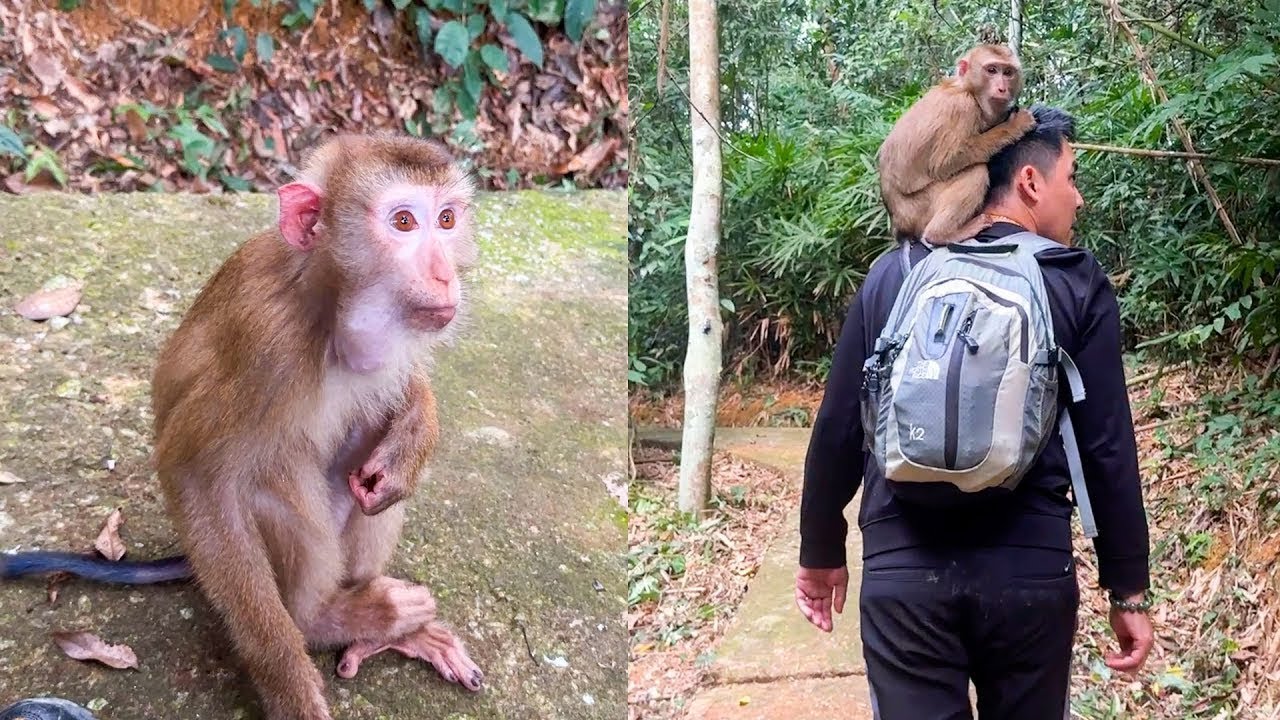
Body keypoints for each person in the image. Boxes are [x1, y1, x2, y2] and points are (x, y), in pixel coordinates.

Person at [794, 104, 1155, 719]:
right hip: (1028, 571)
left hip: (904, 572)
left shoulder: (896, 271)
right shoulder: (1072, 278)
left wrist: (821, 548)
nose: (1078, 198)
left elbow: (839, 426)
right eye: (1071, 178)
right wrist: (1127, 587)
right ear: (1030, 182)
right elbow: (1106, 447)